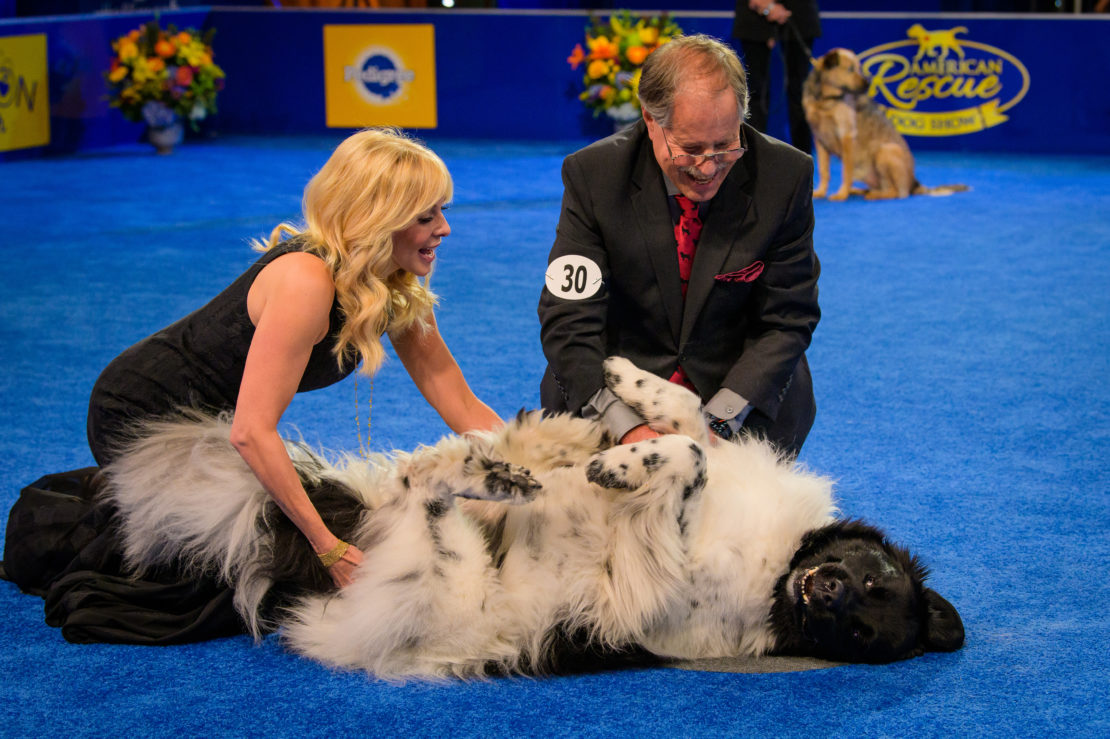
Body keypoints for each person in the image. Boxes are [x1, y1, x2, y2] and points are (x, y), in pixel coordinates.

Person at [5, 128, 502, 643]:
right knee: (268, 572)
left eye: (441, 211)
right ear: (378, 218)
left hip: (221, 419)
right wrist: (326, 547)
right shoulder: (306, 282)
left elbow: (455, 396)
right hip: (142, 414)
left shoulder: (394, 288)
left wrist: (529, 468)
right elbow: (251, 433)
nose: (444, 229)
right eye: (426, 216)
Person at [538, 34, 820, 457]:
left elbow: (788, 319)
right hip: (618, 392)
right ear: (651, 121)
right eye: (690, 149)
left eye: (726, 145)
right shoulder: (593, 175)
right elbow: (568, 318)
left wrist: (718, 421)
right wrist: (625, 425)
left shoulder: (785, 176)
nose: (708, 167)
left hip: (741, 397)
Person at [732, 0, 822, 154]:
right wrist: (765, 5)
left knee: (800, 93)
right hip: (753, 17)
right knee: (756, 92)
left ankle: (804, 162)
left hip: (799, 14)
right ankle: (754, 158)